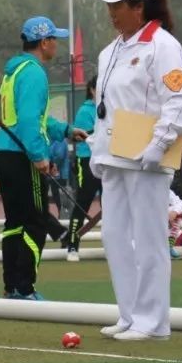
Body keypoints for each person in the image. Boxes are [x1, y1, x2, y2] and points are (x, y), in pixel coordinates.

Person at [88, 0, 182, 342]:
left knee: (149, 239)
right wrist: (96, 149)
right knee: (114, 236)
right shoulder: (110, 51)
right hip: (115, 157)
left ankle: (153, 321)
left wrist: (158, 144)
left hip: (148, 158)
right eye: (109, 4)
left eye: (118, 5)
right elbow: (108, 106)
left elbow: (178, 103)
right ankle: (130, 313)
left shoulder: (163, 46)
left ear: (139, 6)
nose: (111, 12)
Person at [0, 17, 84, 300]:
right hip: (24, 156)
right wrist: (39, 155)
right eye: (55, 39)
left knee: (14, 223)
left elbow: (36, 119)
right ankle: (25, 286)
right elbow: (31, 121)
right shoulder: (34, 73)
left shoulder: (15, 71)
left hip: (5, 154)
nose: (57, 44)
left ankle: (11, 286)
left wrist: (67, 131)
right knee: (35, 221)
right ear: (44, 42)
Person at [65, 76, 100, 261]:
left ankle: (115, 246)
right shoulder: (85, 111)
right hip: (87, 160)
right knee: (82, 202)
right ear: (92, 90)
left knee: (111, 204)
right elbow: (83, 136)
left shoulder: (112, 107)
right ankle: (72, 245)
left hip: (108, 161)